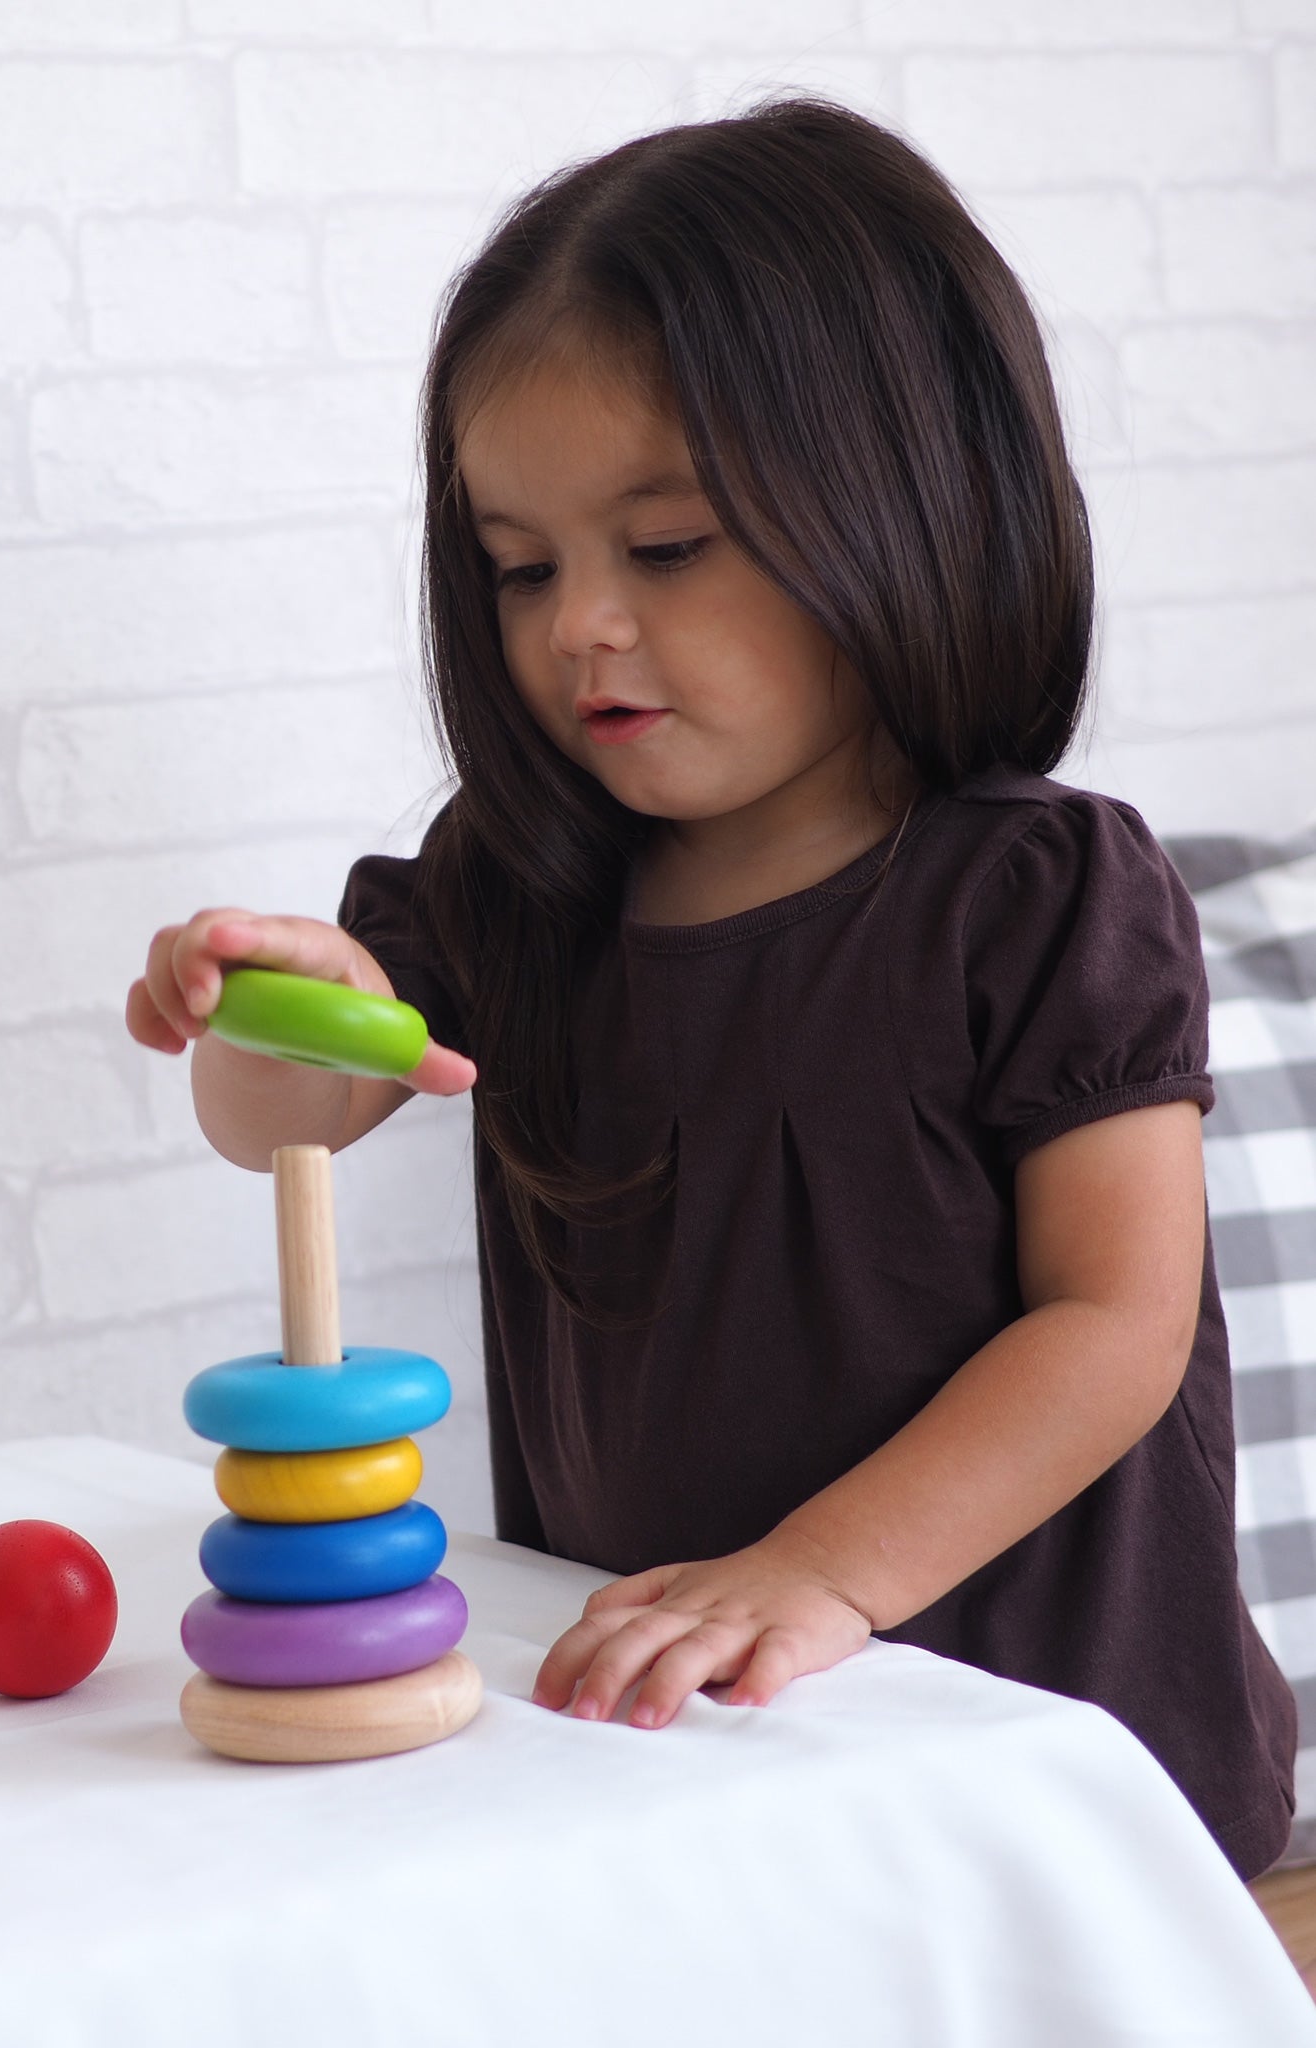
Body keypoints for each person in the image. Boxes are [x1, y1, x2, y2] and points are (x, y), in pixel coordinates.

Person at [126, 98, 1295, 1880]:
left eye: (661, 548)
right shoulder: (515, 885)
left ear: (904, 501)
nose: (577, 623)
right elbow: (295, 1114)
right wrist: (272, 1006)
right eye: (522, 567)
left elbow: (1111, 1325)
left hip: (1048, 1764)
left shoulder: (1032, 890)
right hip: (685, 1743)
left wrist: (821, 1572)